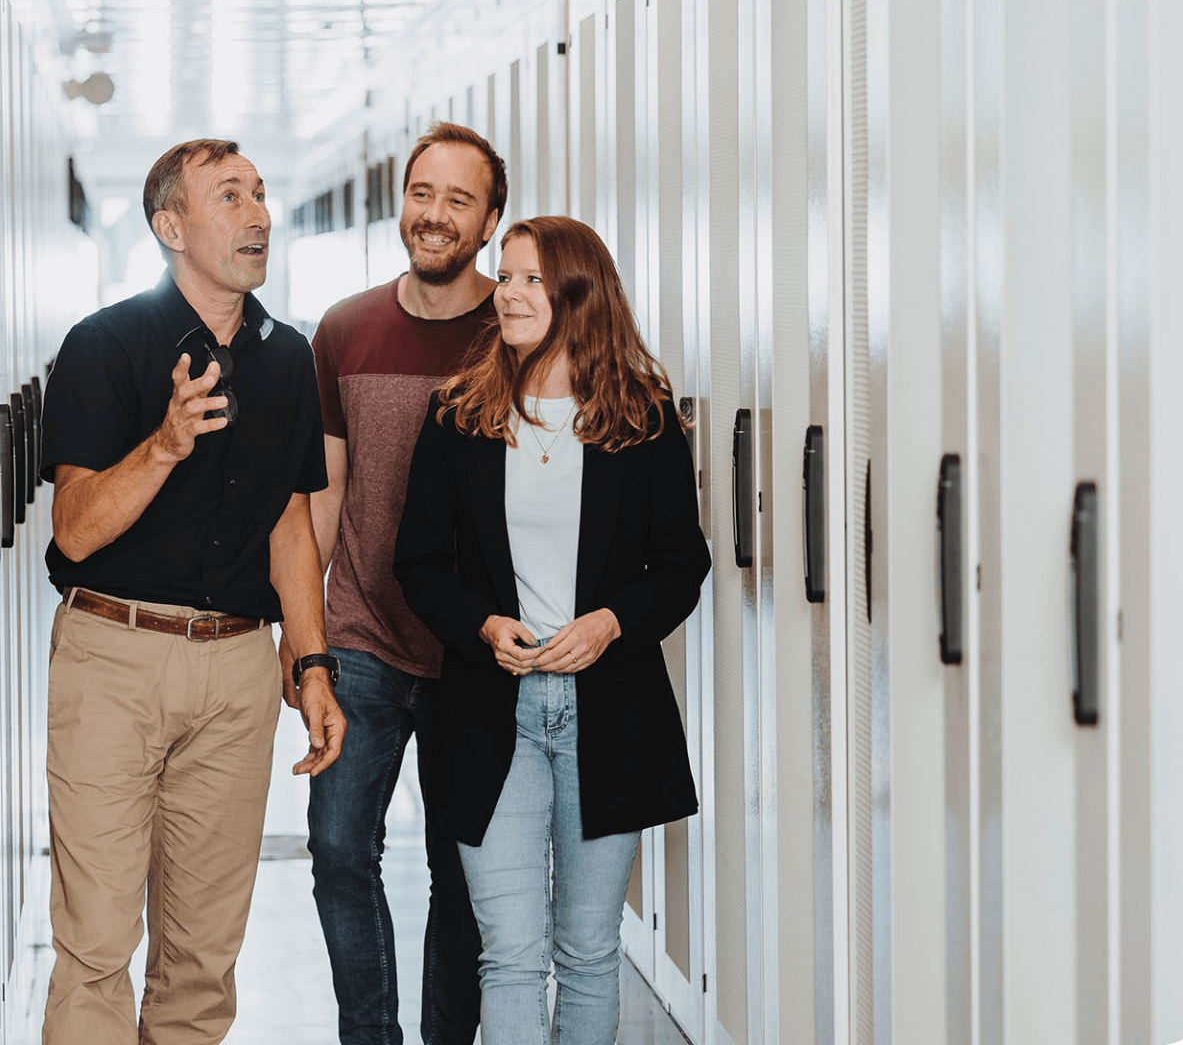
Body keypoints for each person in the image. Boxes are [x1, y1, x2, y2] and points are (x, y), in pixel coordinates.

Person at [37, 138, 349, 1045]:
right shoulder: (104, 345)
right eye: (229, 197)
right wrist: (167, 445)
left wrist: (312, 663)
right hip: (114, 660)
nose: (258, 216)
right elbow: (75, 528)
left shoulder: (287, 357)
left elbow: (290, 522)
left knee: (202, 960)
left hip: (237, 672)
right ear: (170, 227)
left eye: (260, 194)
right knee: (97, 945)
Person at [391, 216, 709, 1045]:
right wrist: (482, 623)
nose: (510, 294)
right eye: (506, 277)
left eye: (532, 279)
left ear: (579, 294)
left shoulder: (641, 417)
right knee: (509, 953)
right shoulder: (459, 415)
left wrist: (610, 623)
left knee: (589, 952)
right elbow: (417, 563)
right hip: (490, 712)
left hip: (609, 711)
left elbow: (682, 564)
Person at [297, 121, 503, 1045]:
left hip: (478, 648)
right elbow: (325, 495)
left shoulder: (517, 330)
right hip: (364, 640)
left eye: (460, 199)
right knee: (340, 851)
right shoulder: (344, 329)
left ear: (490, 221)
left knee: (462, 874)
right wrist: (305, 641)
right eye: (423, 193)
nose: (436, 214)